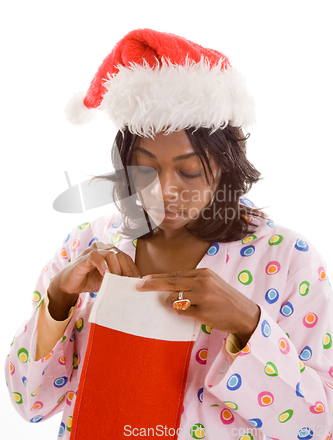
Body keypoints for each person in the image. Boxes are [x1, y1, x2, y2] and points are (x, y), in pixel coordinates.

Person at [4, 28, 333, 440]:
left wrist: (249, 325)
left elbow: (316, 425)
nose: (164, 190)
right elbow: (28, 403)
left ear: (227, 165)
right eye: (144, 169)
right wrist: (57, 301)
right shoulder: (86, 245)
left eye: (189, 170)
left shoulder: (287, 260)